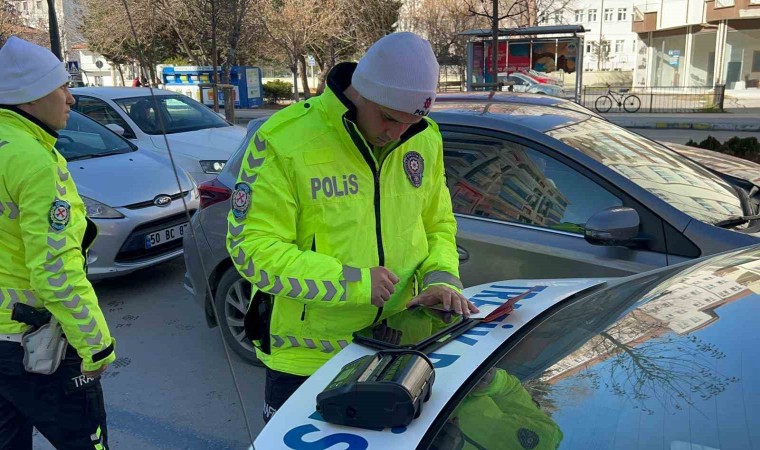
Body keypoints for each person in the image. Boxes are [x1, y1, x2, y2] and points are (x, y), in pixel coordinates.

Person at [226, 31, 478, 423]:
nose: (397, 134)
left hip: (398, 343)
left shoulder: (424, 138)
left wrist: (441, 279)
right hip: (307, 357)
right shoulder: (283, 139)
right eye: (389, 119)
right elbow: (251, 248)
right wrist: (355, 283)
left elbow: (437, 223)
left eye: (411, 123)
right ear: (360, 93)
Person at [0, 36, 116, 449]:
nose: (71, 99)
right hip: (35, 347)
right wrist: (97, 346)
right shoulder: (32, 160)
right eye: (61, 88)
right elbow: (55, 270)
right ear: (29, 97)